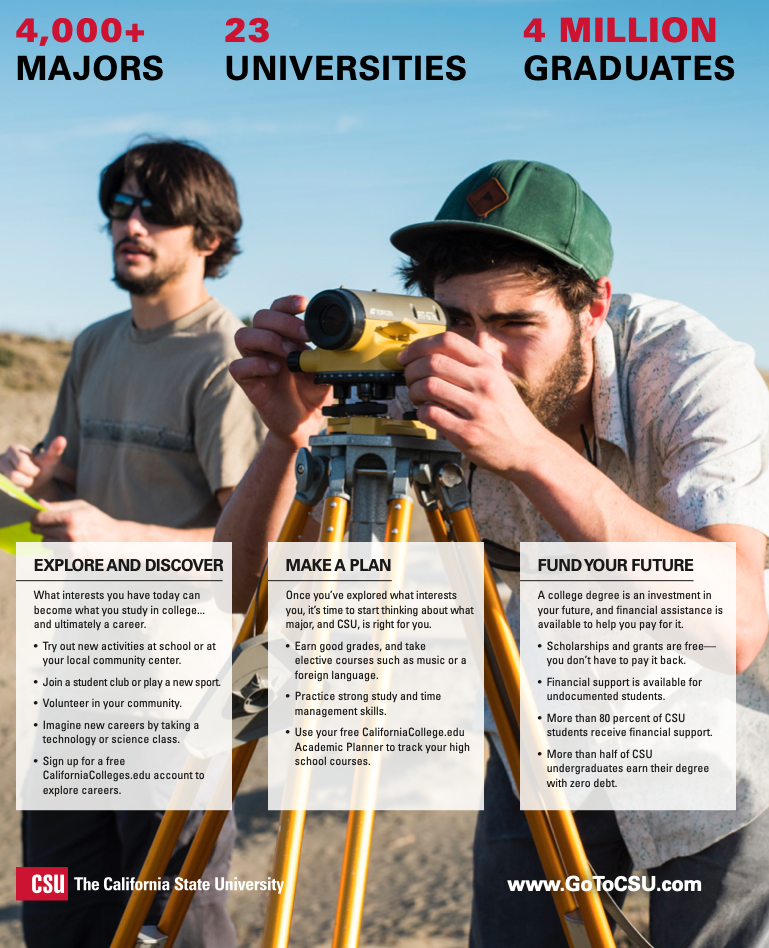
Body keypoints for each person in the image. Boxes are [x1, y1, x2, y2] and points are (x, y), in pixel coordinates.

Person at [217, 159, 769, 948]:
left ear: (594, 307)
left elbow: (737, 624)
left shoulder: (689, 368)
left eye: (515, 324)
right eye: (456, 322)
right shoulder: (415, 373)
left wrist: (529, 453)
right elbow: (239, 595)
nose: (478, 356)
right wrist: (290, 438)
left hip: (729, 738)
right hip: (544, 731)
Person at [0, 138, 265, 948]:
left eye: (154, 210)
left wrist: (116, 539)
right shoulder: (94, 342)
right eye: (119, 206)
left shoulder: (231, 360)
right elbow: (70, 502)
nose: (130, 223)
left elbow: (248, 554)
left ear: (208, 239)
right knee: (55, 902)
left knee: (170, 919)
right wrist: (26, 488)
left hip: (186, 681)